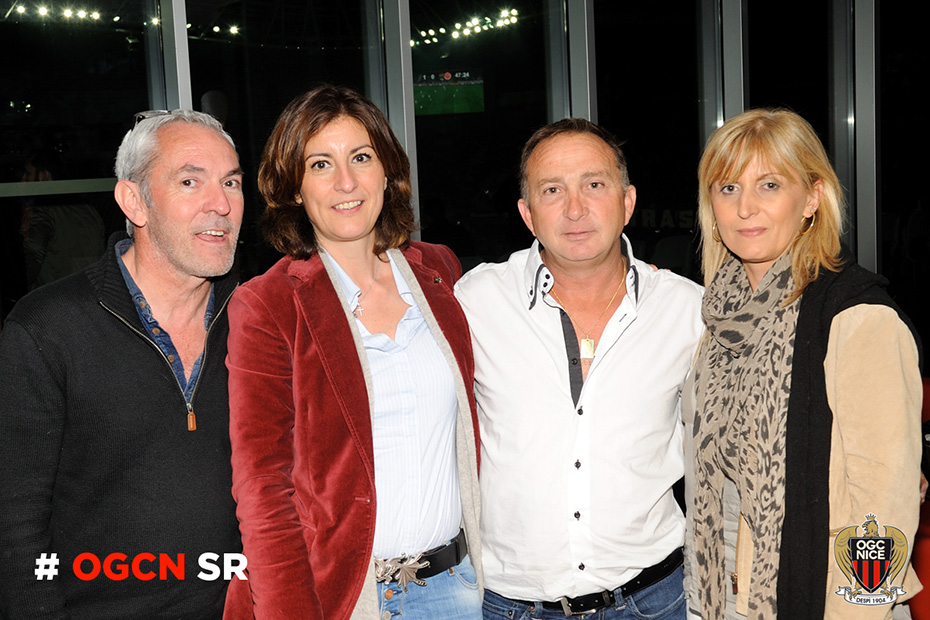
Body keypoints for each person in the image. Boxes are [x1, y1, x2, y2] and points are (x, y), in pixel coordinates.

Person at [222, 85, 482, 620]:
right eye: (321, 164)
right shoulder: (268, 304)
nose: (346, 182)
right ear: (295, 189)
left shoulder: (439, 270)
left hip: (457, 588)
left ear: (386, 172)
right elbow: (263, 488)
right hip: (343, 600)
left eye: (361, 157)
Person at [455, 118, 704, 620]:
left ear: (627, 202)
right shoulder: (474, 301)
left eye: (594, 185)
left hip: (654, 600)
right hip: (511, 605)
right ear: (527, 214)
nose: (575, 208)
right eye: (552, 190)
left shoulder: (687, 310)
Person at [0, 109, 244, 618]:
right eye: (190, 181)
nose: (221, 204)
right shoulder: (47, 329)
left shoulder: (259, 321)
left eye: (231, 182)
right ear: (134, 201)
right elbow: (15, 524)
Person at [684, 108, 923, 620]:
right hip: (719, 597)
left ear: (812, 198)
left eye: (769, 185)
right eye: (728, 188)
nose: (745, 207)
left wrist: (858, 610)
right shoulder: (719, 320)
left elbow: (885, 506)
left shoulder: (857, 319)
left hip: (823, 601)